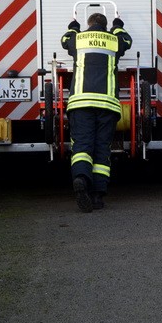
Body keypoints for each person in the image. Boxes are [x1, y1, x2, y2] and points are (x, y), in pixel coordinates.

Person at [61, 12, 133, 212]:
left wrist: (73, 26)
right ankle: (98, 196)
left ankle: (81, 179)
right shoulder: (113, 40)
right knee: (102, 148)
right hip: (107, 106)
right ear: (105, 25)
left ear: (89, 23)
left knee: (83, 146)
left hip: (81, 104)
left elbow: (65, 40)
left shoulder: (78, 39)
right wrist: (118, 25)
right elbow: (127, 40)